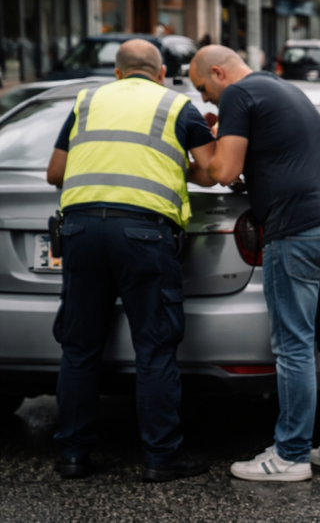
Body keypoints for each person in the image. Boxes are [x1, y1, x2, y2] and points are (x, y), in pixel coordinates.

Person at [188, 46, 320, 482]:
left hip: (298, 230)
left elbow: (224, 172)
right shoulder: (282, 89)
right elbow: (272, 157)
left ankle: (290, 455)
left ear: (217, 72)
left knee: (295, 345)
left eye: (202, 88)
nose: (206, 99)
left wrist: (193, 160)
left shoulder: (237, 95)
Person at [44, 39, 215, 482]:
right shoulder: (177, 105)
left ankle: (73, 456)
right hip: (143, 234)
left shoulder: (86, 100)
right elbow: (212, 170)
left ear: (117, 74)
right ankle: (161, 458)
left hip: (80, 231)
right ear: (160, 73)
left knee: (79, 347)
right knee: (154, 347)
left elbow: (55, 174)